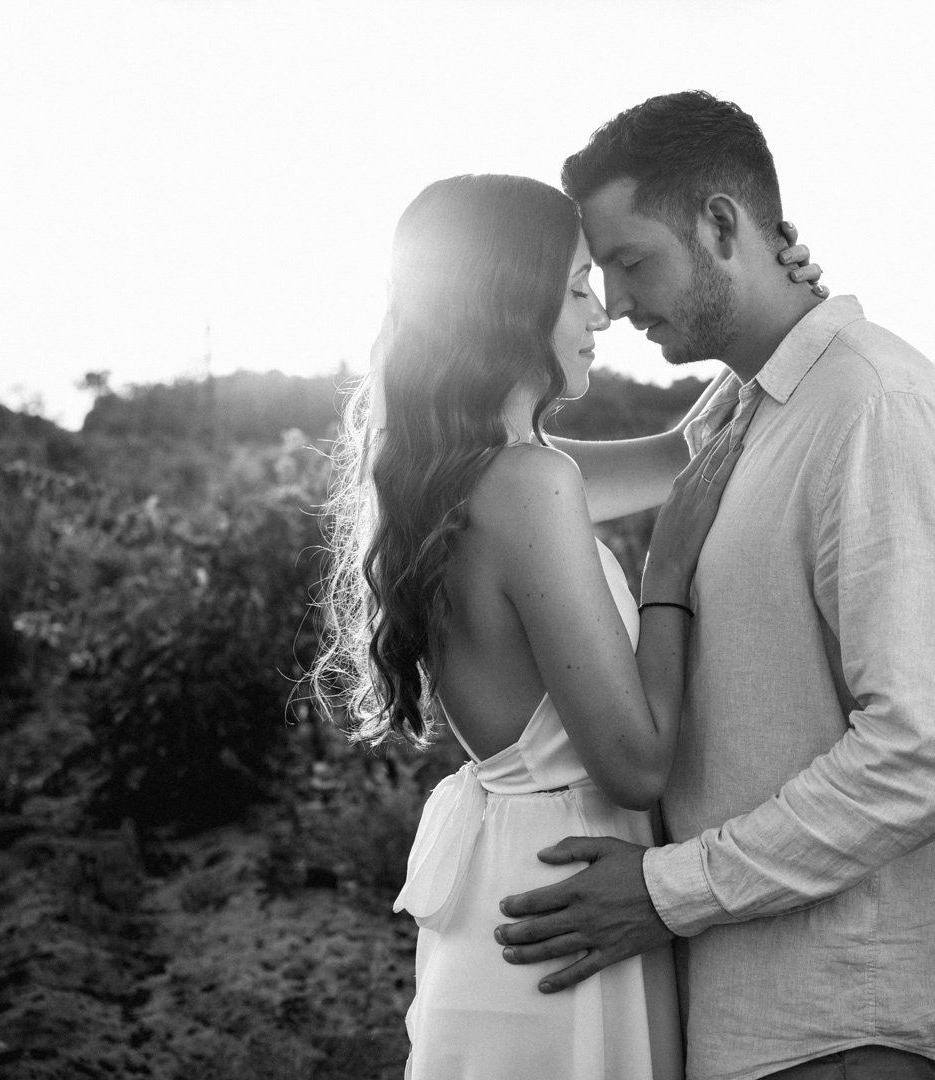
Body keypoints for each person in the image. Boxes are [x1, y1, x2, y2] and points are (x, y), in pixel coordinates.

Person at [493, 92, 935, 1080]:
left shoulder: (879, 408)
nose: (616, 303)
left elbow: (931, 750)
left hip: (848, 1028)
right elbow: (537, 484)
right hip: (757, 1015)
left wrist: (668, 891)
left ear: (722, 226)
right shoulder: (755, 414)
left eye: (631, 261)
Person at [312, 172, 825, 1079]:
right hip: (567, 891)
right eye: (580, 285)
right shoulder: (529, 485)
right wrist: (667, 573)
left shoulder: (475, 470)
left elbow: (687, 454)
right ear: (511, 303)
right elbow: (635, 766)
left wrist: (776, 314)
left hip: (526, 873)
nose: (604, 312)